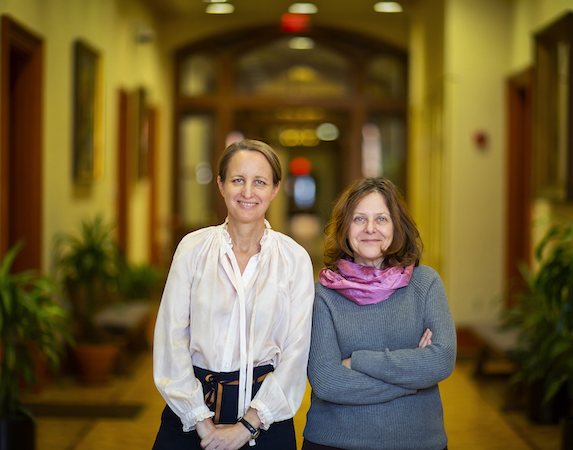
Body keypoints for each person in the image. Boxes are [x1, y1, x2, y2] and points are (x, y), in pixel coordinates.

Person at [152, 139, 315, 450]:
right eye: (238, 180)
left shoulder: (294, 259)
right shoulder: (192, 249)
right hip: (189, 414)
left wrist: (247, 425)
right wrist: (200, 420)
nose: (248, 192)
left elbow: (296, 352)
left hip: (266, 419)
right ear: (221, 184)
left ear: (275, 189)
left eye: (260, 182)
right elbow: (170, 339)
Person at [302, 177, 456, 450]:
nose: (370, 229)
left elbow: (441, 361)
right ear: (345, 228)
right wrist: (414, 380)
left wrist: (357, 361)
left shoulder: (426, 283)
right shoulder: (323, 294)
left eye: (382, 219)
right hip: (335, 442)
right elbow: (326, 381)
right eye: (359, 219)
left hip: (418, 440)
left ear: (397, 227)